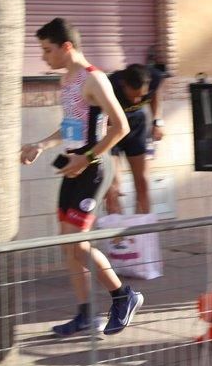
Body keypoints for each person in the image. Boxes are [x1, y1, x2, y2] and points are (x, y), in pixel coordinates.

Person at [20, 18, 144, 337]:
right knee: (68, 244)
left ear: (67, 47)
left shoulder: (95, 79)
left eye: (47, 50)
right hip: (73, 167)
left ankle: (123, 296)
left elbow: (121, 127)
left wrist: (86, 157)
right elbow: (71, 127)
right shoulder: (68, 80)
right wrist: (40, 144)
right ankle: (86, 314)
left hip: (92, 168)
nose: (44, 57)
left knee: (78, 242)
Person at [104, 62, 166, 215]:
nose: (137, 101)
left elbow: (155, 93)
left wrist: (157, 121)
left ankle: (142, 234)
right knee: (113, 188)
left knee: (142, 182)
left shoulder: (154, 77)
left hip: (136, 125)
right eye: (133, 96)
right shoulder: (110, 84)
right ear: (123, 85)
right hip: (112, 129)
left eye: (141, 96)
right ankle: (117, 236)